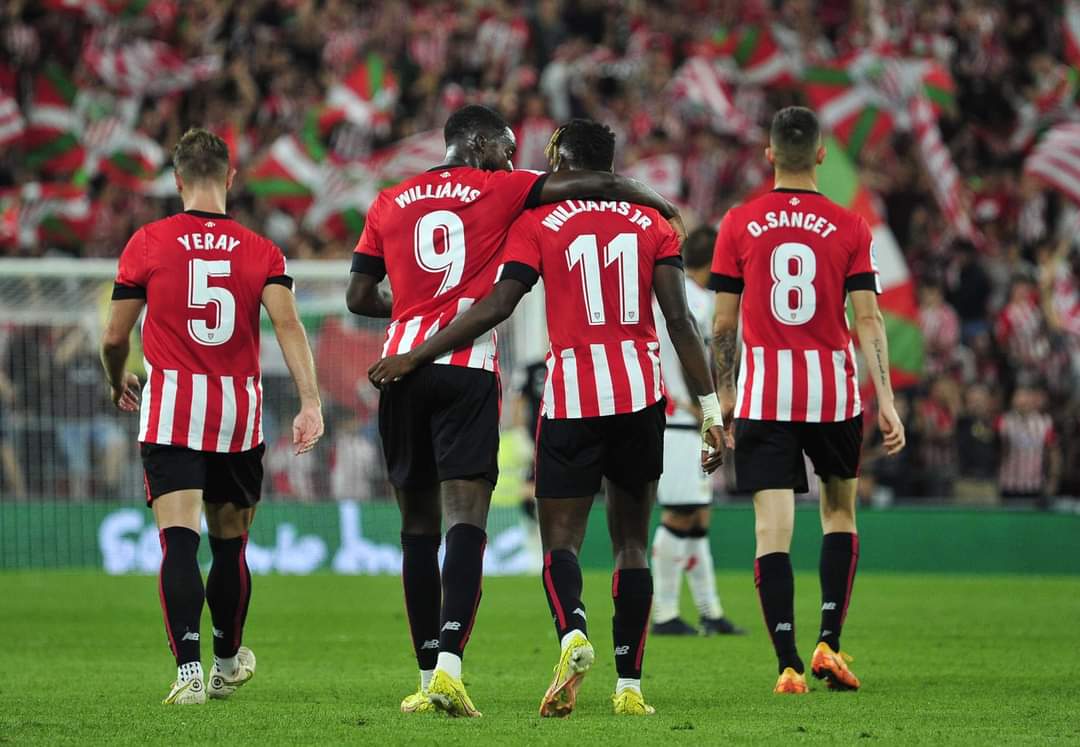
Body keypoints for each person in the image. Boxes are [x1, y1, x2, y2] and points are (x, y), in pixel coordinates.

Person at [368, 119, 724, 718]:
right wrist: (712, 409)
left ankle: (571, 634)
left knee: (558, 542)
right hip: (640, 392)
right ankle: (630, 689)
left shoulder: (533, 223)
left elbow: (501, 302)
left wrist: (417, 349)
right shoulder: (654, 226)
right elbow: (682, 323)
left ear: (562, 161)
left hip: (570, 397)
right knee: (633, 543)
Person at [100, 128, 324, 705]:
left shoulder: (148, 241)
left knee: (178, 544)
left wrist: (114, 375)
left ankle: (189, 676)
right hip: (237, 417)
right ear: (230, 178)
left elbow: (113, 336)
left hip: (173, 410)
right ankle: (226, 662)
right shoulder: (261, 250)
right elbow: (289, 326)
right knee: (230, 548)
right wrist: (310, 402)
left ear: (177, 180)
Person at [710, 107, 905, 695]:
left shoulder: (738, 224)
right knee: (839, 515)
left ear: (769, 155)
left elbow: (722, 326)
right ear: (821, 155)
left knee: (772, 532)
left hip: (765, 396)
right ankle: (829, 641)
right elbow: (868, 320)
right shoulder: (850, 226)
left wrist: (720, 404)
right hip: (834, 395)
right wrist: (888, 402)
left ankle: (788, 665)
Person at [650, 226, 745, 637]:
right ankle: (665, 613)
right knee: (681, 511)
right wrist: (709, 409)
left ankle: (709, 611)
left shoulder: (661, 297)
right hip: (683, 420)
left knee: (697, 513)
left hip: (677, 418)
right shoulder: (701, 303)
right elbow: (701, 358)